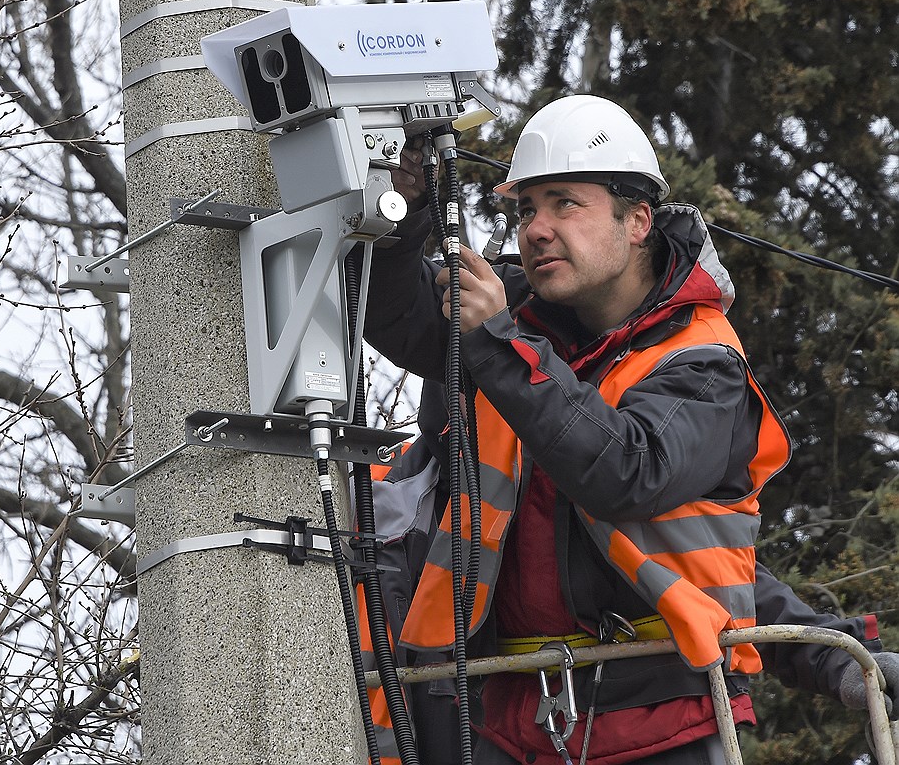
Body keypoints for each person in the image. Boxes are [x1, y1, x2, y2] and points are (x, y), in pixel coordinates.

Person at [361, 94, 897, 765]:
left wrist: (834, 654)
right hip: (512, 723)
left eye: (565, 204)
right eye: (526, 208)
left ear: (637, 220)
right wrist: (404, 209)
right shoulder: (512, 323)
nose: (536, 229)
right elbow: (395, 316)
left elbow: (623, 476)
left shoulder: (700, 363)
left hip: (661, 723)